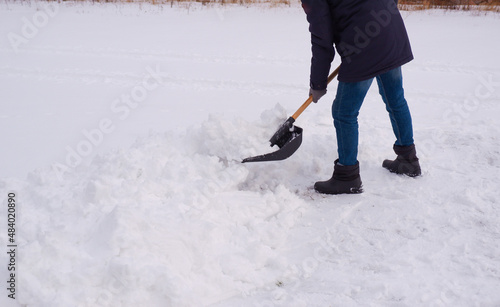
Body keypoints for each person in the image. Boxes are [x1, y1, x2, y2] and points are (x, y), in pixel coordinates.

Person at [301, 0, 421, 195]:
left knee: (343, 112)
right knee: (395, 98)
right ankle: (408, 160)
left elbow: (322, 37)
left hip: (364, 45)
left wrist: (318, 83)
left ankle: (346, 177)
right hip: (390, 29)